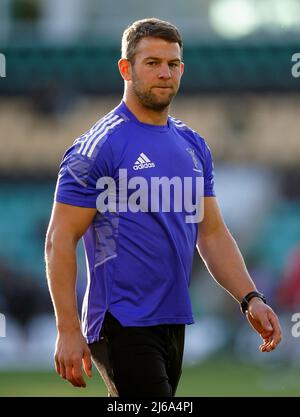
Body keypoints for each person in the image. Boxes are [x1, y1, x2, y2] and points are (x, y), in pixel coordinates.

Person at [45, 17, 282, 397]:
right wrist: (67, 329)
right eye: (152, 63)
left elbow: (213, 233)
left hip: (173, 319)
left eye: (173, 64)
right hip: (120, 319)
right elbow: (60, 239)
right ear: (126, 68)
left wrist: (250, 298)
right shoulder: (98, 147)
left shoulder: (193, 145)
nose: (165, 73)